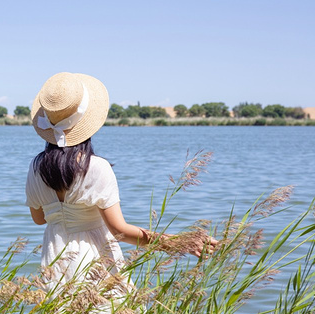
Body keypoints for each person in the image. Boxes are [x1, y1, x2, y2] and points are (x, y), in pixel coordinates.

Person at [26, 72, 216, 294]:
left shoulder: (36, 167)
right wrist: (178, 242)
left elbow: (39, 219)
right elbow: (120, 231)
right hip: (95, 261)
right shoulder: (95, 167)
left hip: (55, 259)